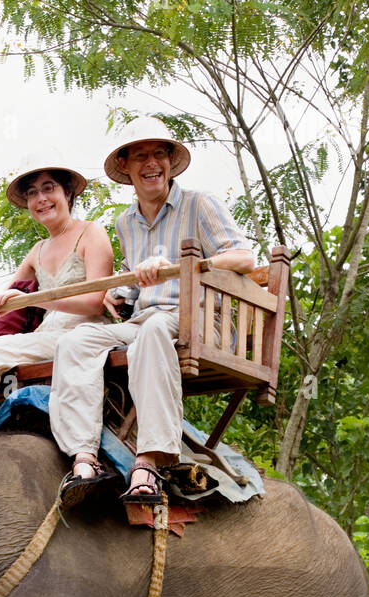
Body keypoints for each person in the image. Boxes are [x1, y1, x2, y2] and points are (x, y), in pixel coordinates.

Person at [49, 120, 255, 507]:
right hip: (145, 321)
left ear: (170, 162)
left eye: (159, 153)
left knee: (155, 328)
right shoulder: (125, 222)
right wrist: (120, 291)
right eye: (140, 155)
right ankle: (84, 458)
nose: (151, 163)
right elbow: (137, 279)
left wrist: (176, 264)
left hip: (200, 318)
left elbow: (244, 257)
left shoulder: (199, 203)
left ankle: (150, 460)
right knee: (75, 340)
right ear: (125, 167)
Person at [0, 159, 114, 422]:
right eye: (33, 193)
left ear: (67, 194)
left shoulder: (91, 233)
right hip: (46, 336)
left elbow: (95, 303)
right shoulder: (38, 250)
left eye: (48, 188)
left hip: (84, 332)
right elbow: (6, 298)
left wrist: (35, 300)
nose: (41, 198)